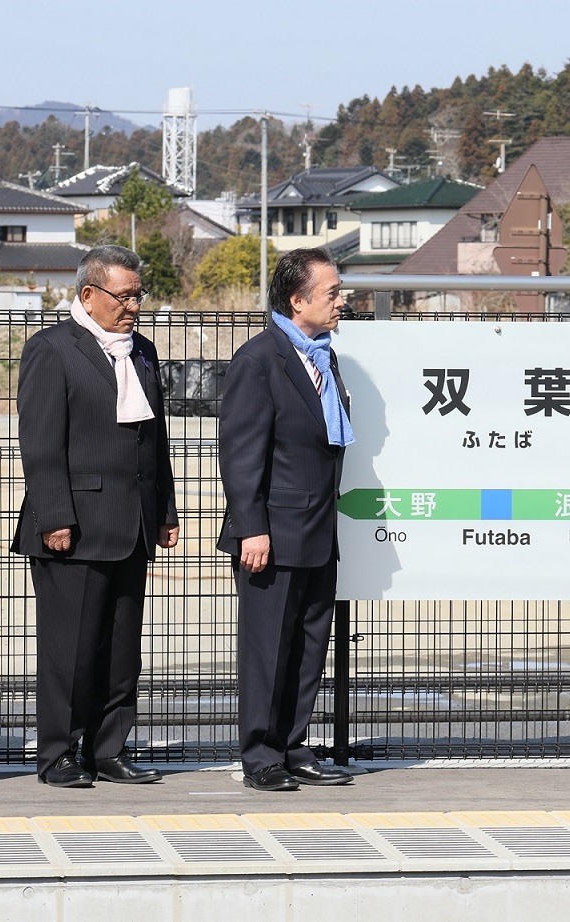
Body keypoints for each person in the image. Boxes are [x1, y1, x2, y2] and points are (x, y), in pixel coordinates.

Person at [13, 245, 179, 788]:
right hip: (73, 525)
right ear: (88, 295)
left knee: (120, 647)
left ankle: (109, 748)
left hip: (130, 523)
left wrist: (164, 510)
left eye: (138, 295)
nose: (133, 306)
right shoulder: (52, 350)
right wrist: (55, 515)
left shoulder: (144, 352)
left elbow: (154, 441)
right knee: (70, 649)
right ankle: (57, 752)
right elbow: (40, 444)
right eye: (123, 296)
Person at [218, 247, 354, 792]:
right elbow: (242, 452)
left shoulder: (321, 355)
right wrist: (252, 526)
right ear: (298, 301)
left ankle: (293, 744)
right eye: (332, 294)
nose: (342, 302)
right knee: (267, 647)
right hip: (272, 532)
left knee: (308, 645)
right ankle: (261, 754)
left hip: (318, 528)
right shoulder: (259, 359)